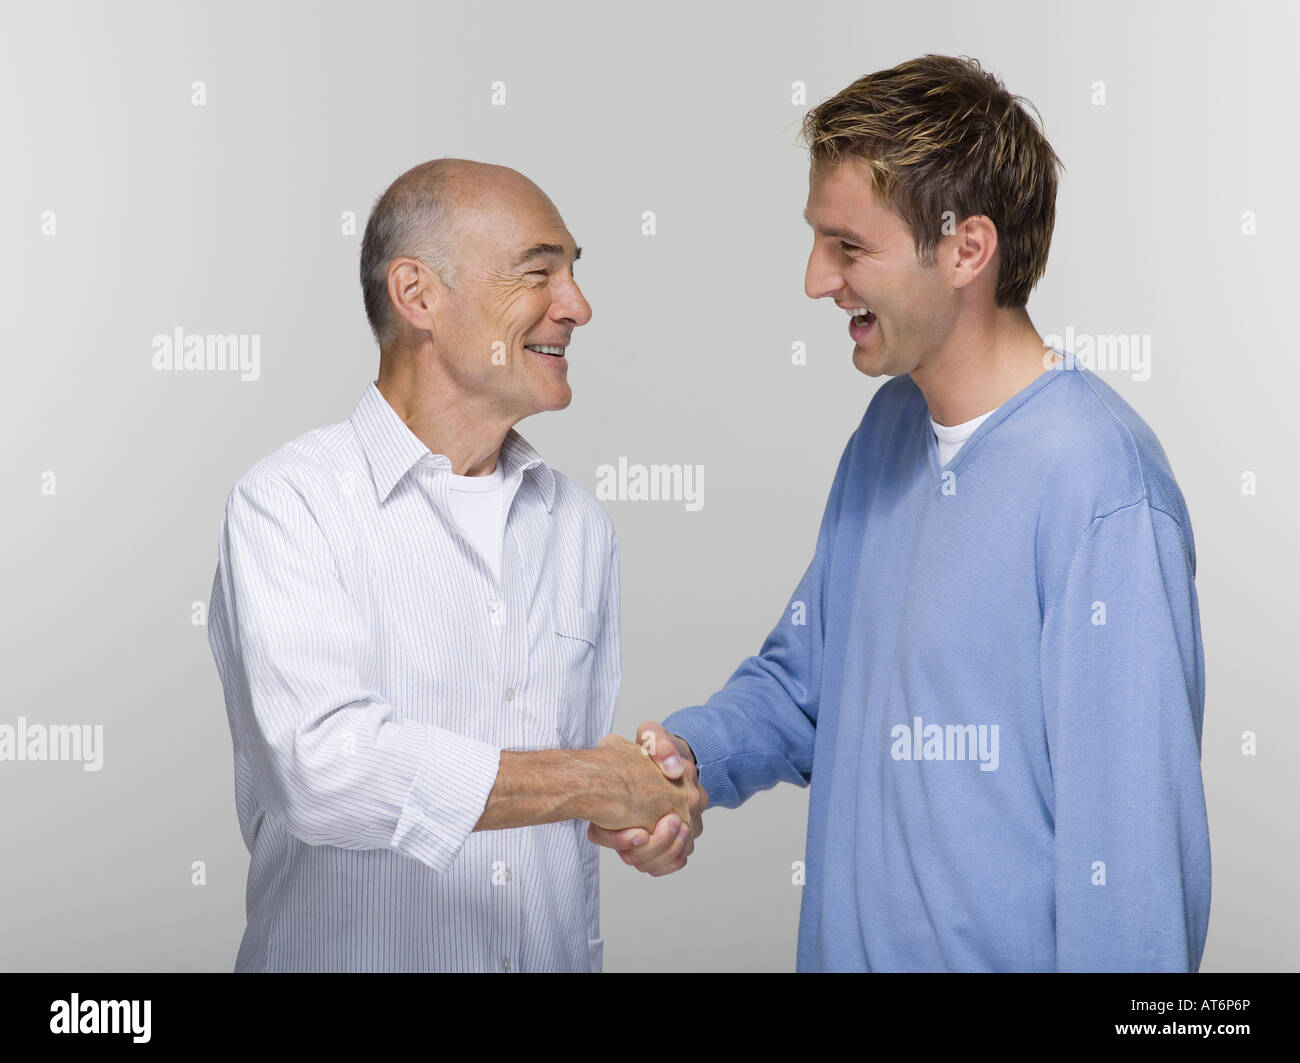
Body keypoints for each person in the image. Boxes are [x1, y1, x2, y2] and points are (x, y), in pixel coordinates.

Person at [592, 54, 1211, 973]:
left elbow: (1133, 871)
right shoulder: (887, 432)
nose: (815, 279)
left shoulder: (1101, 487)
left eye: (848, 246)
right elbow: (810, 684)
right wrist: (684, 756)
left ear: (966, 250)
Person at [206, 158, 703, 972]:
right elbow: (323, 769)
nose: (577, 306)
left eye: (574, 273)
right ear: (418, 296)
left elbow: (564, 819)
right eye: (540, 271)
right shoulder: (287, 505)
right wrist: (591, 779)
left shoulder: (579, 526)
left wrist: (643, 813)